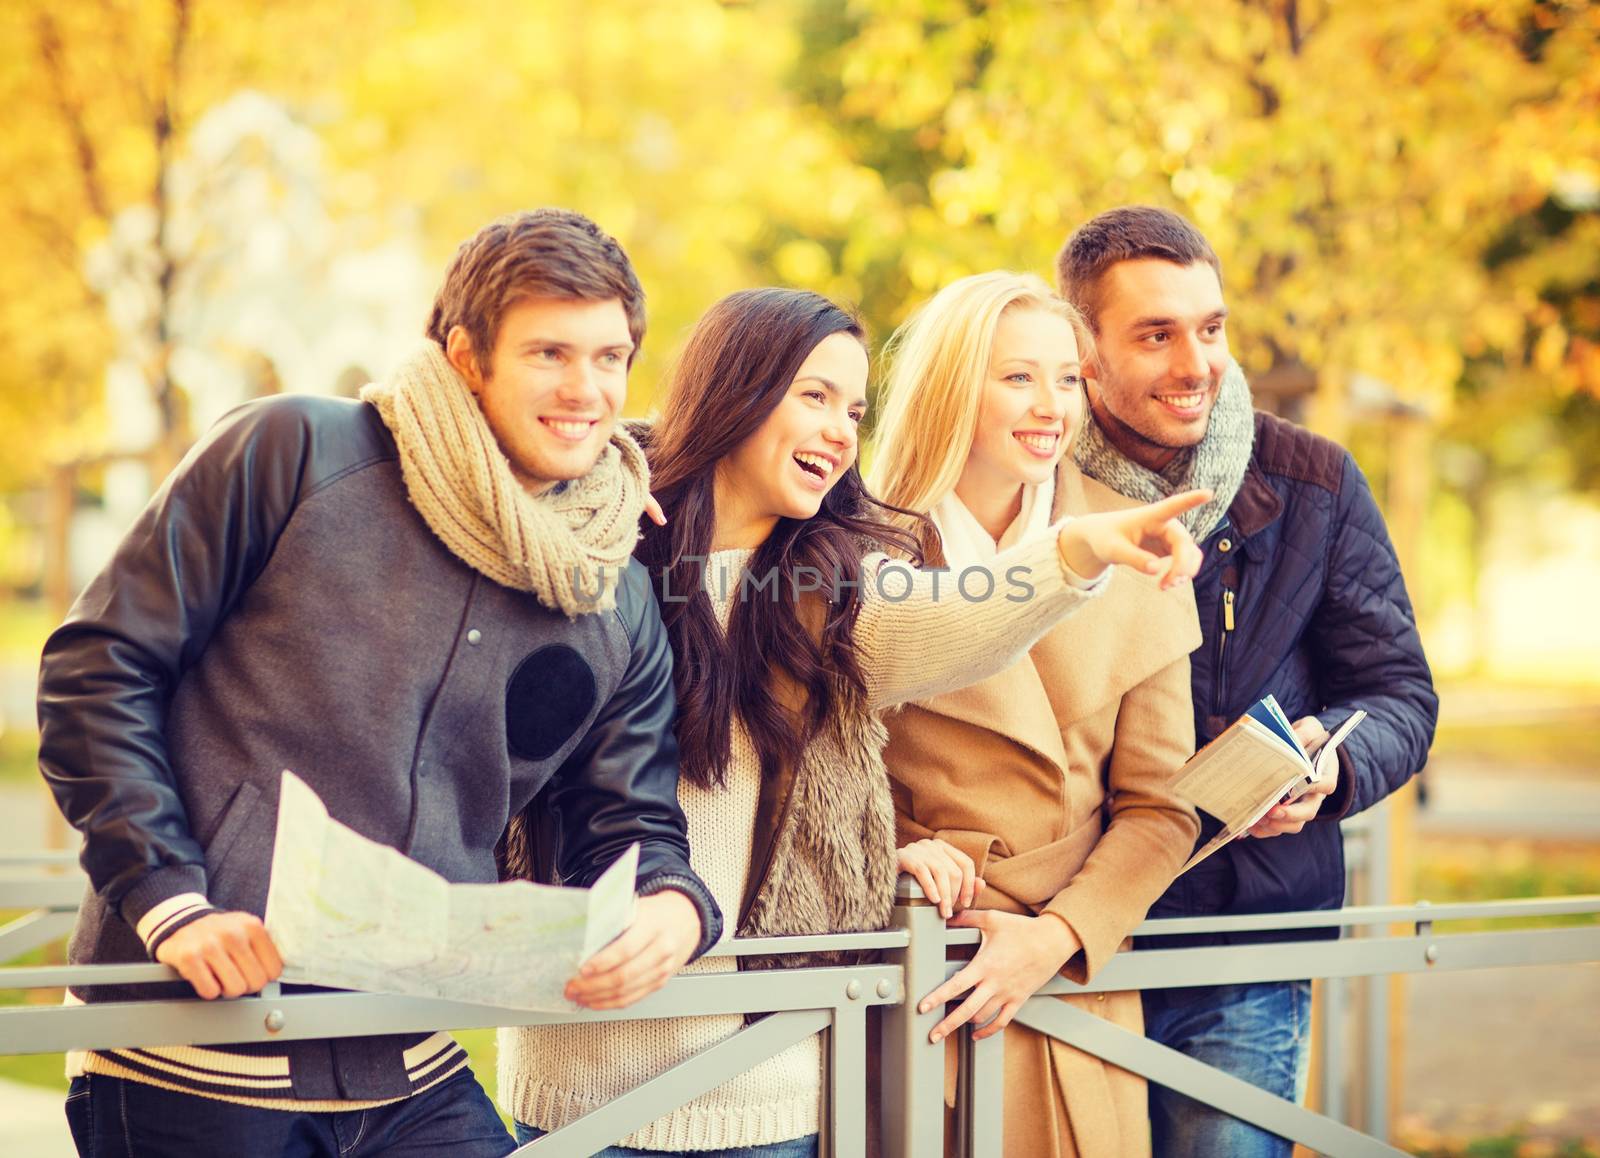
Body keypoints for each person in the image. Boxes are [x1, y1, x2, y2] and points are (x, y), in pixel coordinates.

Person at [36, 209, 721, 1158]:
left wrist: (672, 904)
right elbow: (98, 669)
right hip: (192, 1060)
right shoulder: (291, 453)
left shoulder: (617, 587)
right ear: (464, 357)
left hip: (416, 1072)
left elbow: (626, 820)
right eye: (549, 354)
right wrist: (167, 897)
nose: (587, 389)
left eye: (611, 358)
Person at [497, 287, 1209, 1157]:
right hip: (574, 1075)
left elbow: (963, 612)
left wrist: (1079, 550)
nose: (841, 429)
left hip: (762, 1089)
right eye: (815, 397)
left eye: (855, 409)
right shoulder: (588, 549)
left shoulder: (839, 591)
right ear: (738, 390)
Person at [1056, 205, 1438, 1157]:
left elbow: (1399, 694)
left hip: (1243, 947)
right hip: (1056, 942)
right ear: (1084, 350)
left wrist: (1331, 764)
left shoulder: (1313, 479)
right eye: (1157, 334)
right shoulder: (1027, 479)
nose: (1197, 363)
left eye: (1211, 327)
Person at [866, 271, 1203, 1156]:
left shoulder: (1138, 538)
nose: (1051, 404)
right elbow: (810, 756)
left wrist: (1053, 939)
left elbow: (1162, 806)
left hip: (1068, 972)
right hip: (914, 956)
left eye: (1066, 377)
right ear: (951, 385)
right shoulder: (859, 541)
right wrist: (889, 845)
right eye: (1018, 376)